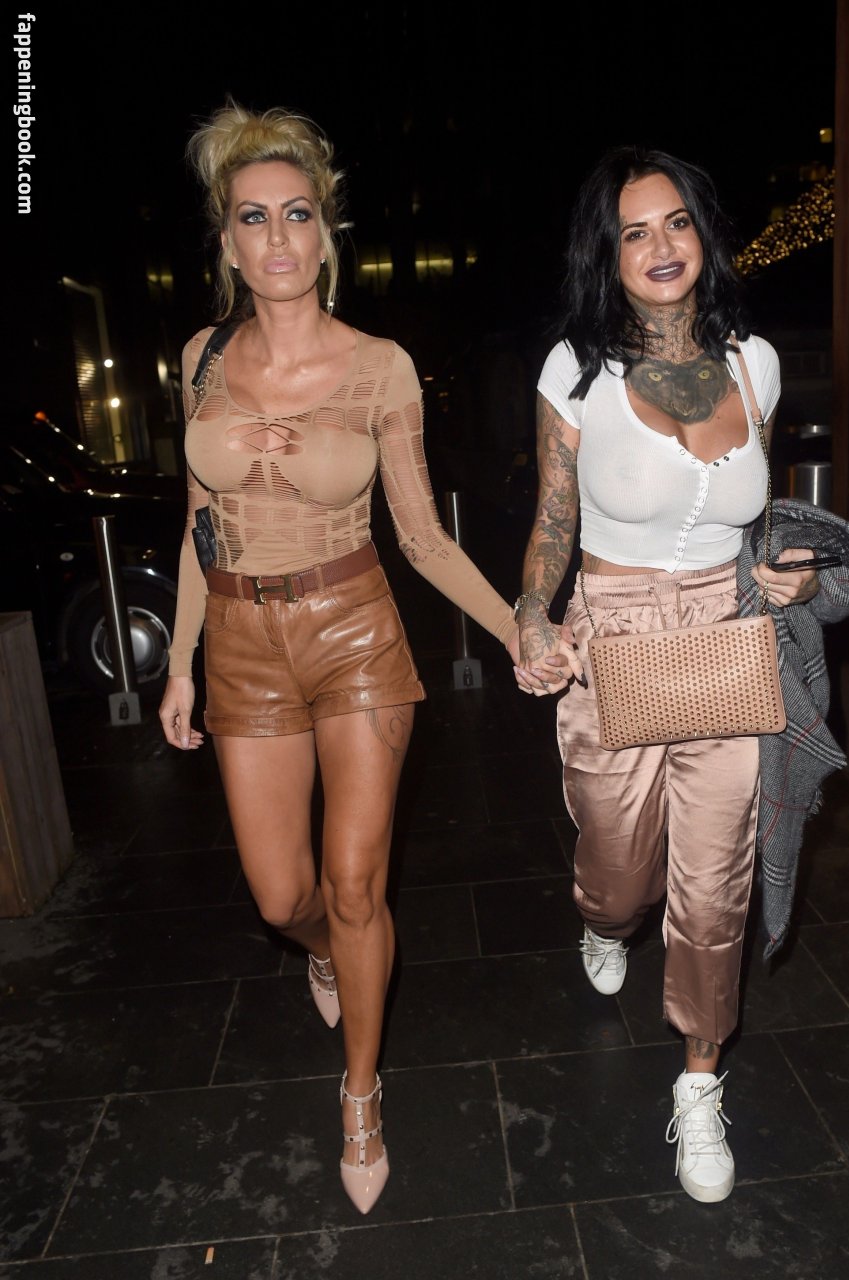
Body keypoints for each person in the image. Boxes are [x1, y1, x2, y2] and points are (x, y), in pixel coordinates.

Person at [158, 102, 541, 1215]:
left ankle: (361, 1091)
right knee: (284, 895)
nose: (276, 236)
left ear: (325, 233)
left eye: (296, 213)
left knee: (356, 882)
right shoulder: (201, 357)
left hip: (354, 634)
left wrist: (516, 624)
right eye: (252, 217)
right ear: (227, 242)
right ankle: (325, 949)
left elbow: (421, 537)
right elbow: (198, 523)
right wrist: (180, 661)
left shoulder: (379, 366)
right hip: (241, 643)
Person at [514, 145, 823, 1204]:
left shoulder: (754, 363)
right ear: (607, 252)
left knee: (713, 881)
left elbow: (756, 517)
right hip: (613, 636)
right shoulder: (574, 369)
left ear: (704, 235)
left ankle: (699, 1080)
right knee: (620, 875)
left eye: (675, 222)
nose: (659, 246)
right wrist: (530, 613)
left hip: (725, 638)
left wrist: (782, 571)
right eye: (634, 230)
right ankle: (602, 923)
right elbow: (553, 518)